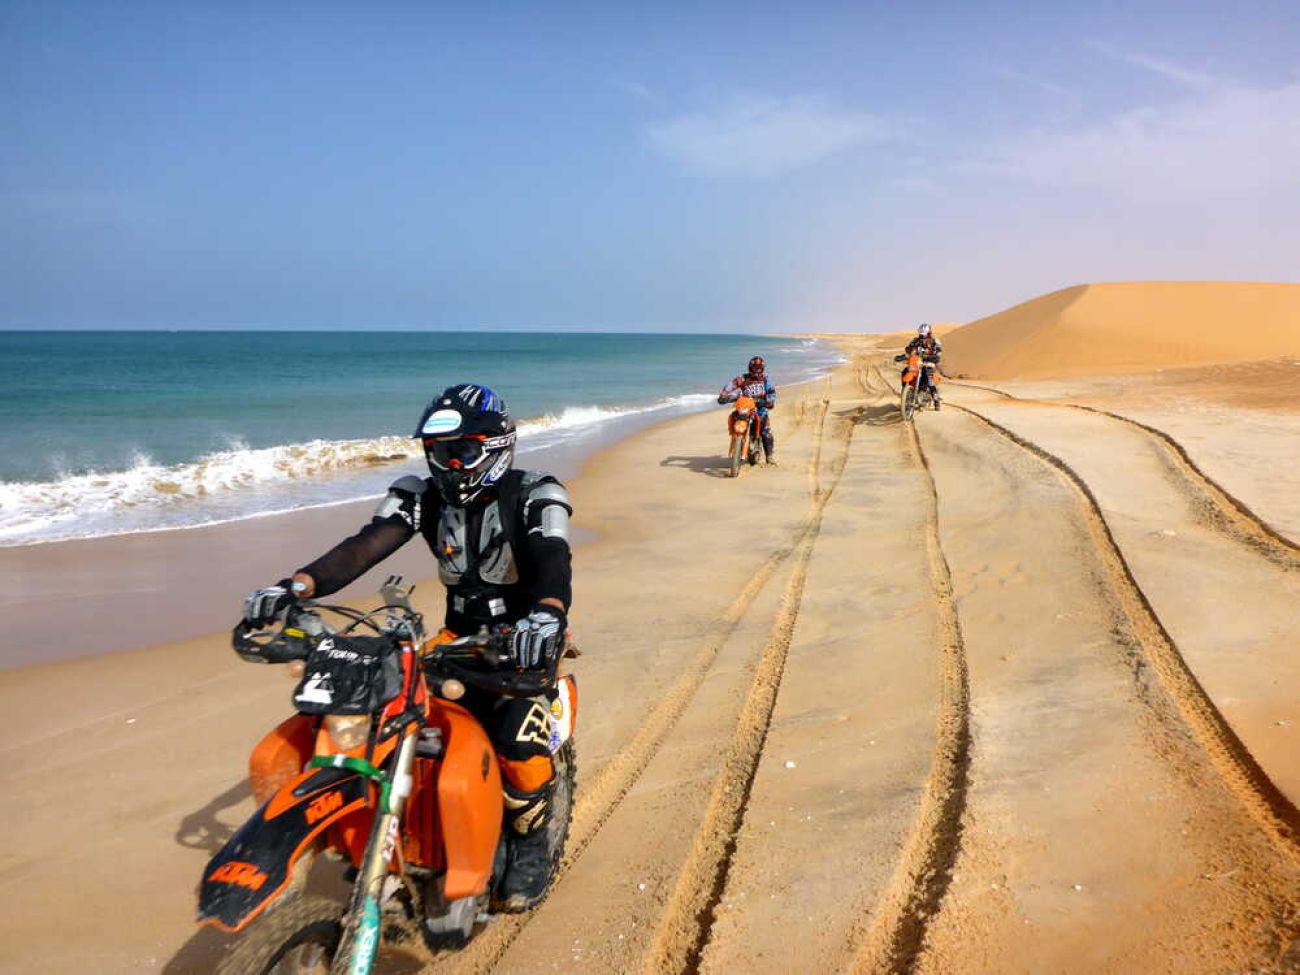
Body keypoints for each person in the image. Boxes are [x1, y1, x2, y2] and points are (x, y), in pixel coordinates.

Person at [241, 383, 573, 912]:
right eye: (439, 452)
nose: (449, 464)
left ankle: (531, 841)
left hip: (524, 635)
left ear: (494, 445)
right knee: (388, 721)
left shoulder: (536, 493)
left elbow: (552, 555)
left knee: (517, 743)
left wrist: (548, 613)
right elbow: (363, 548)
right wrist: (296, 586)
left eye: (461, 451)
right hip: (453, 636)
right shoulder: (422, 497)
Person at [717, 355, 778, 463]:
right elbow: (731, 385)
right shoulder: (743, 379)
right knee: (733, 416)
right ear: (750, 368)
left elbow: (772, 393)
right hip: (745, 409)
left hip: (759, 410)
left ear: (762, 369)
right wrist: (723, 395)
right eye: (754, 367)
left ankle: (769, 457)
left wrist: (769, 401)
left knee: (766, 432)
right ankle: (735, 439)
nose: (756, 370)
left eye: (759, 368)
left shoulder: (765, 381)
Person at [900, 323, 943, 410]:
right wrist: (903, 356)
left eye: (924, 334)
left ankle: (936, 401)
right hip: (916, 363)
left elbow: (938, 353)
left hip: (928, 362)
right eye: (921, 334)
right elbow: (909, 349)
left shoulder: (934, 341)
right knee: (905, 371)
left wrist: (931, 356)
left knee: (929, 377)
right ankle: (906, 393)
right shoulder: (915, 341)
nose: (922, 336)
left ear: (929, 333)